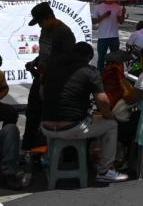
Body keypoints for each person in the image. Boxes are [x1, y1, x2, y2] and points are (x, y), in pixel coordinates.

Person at [40, 42, 127, 183]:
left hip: (46, 128)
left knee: (88, 121)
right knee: (111, 125)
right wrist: (108, 114)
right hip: (71, 127)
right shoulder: (89, 71)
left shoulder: (52, 68)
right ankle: (105, 170)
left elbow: (42, 94)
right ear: (88, 57)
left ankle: (51, 159)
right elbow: (103, 101)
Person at [22, 1, 76, 151]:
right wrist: (35, 62)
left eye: (40, 22)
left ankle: (43, 147)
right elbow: (45, 52)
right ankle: (28, 145)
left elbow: (68, 59)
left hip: (53, 81)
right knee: (32, 112)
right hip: (41, 77)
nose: (39, 26)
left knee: (46, 114)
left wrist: (49, 71)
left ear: (49, 17)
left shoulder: (64, 33)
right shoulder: (46, 30)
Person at [92, 0, 126, 70]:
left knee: (115, 58)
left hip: (114, 37)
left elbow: (121, 22)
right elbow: (94, 21)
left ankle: (114, 75)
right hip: (102, 37)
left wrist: (123, 13)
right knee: (101, 58)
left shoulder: (117, 7)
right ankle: (100, 74)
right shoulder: (99, 7)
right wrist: (104, 15)